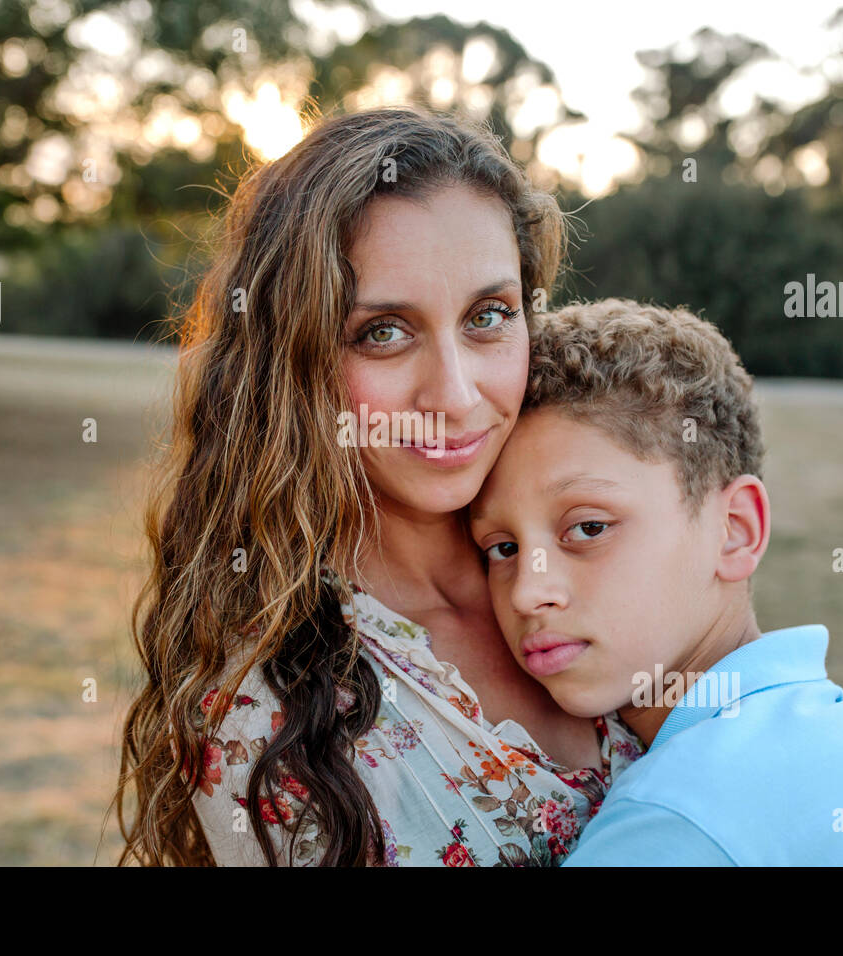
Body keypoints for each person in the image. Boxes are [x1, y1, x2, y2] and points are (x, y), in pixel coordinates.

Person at [117, 106, 643, 867]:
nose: (456, 394)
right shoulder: (268, 714)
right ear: (291, 362)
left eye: (489, 315)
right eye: (383, 332)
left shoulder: (611, 535)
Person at [468, 298, 843, 865]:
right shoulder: (827, 722)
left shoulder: (673, 822)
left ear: (734, 532)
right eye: (503, 548)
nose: (526, 591)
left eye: (588, 527)